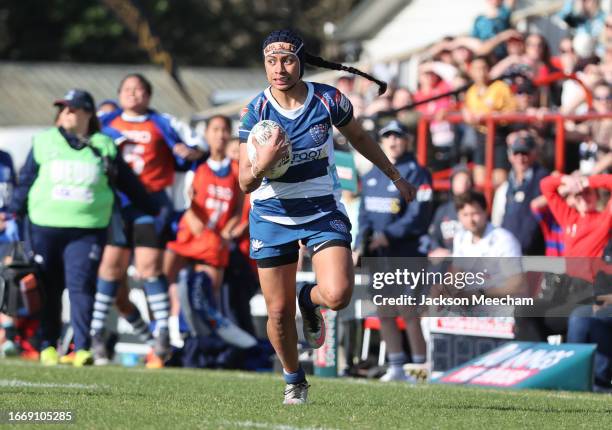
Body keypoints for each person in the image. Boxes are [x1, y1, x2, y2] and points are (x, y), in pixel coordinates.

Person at [238, 29, 416, 404]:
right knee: (277, 312)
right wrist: (263, 165)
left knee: (337, 295)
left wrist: (395, 176)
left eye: (287, 60)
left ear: (302, 61)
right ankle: (294, 379)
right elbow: (243, 183)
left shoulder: (328, 99)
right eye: (271, 61)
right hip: (271, 215)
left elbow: (361, 138)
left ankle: (310, 298)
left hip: (321, 209)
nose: (279, 69)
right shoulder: (256, 110)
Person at [6, 89, 158, 367]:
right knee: (49, 289)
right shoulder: (44, 141)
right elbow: (27, 181)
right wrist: (13, 212)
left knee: (81, 287)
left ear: (88, 113)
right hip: (44, 228)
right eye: (63, 109)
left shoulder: (104, 144)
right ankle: (48, 345)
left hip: (87, 230)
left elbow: (128, 183)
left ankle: (83, 347)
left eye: (72, 109)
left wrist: (155, 211)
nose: (66, 113)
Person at [92, 74, 203, 368]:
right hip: (115, 205)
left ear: (149, 95)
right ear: (118, 93)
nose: (133, 94)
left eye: (139, 89)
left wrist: (187, 152)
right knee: (110, 270)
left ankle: (163, 334)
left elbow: (195, 150)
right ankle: (96, 336)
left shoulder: (163, 122)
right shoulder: (106, 122)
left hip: (149, 204)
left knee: (149, 269)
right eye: (127, 89)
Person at [354, 120, 433, 382]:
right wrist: (359, 245)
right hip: (378, 258)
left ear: (407, 140)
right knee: (384, 311)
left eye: (397, 136)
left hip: (406, 253)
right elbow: (364, 215)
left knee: (408, 312)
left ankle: (421, 369)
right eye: (387, 137)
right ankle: (396, 366)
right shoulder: (372, 175)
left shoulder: (417, 173)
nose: (393, 141)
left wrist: (387, 236)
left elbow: (418, 216)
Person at [463, 56, 517, 188]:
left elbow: (513, 110)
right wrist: (466, 113)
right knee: (479, 180)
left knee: (499, 182)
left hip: (499, 136)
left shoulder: (500, 87)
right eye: (477, 69)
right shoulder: (471, 92)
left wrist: (494, 115)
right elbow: (466, 109)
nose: (481, 72)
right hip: (481, 137)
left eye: (483, 68)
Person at [491, 133, 549, 254]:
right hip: (509, 252)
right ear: (510, 156)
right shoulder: (505, 187)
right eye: (516, 153)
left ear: (533, 154)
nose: (520, 158)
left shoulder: (543, 180)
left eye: (525, 153)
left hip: (535, 252)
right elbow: (497, 220)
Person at [540, 173, 612, 257]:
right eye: (578, 194)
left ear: (597, 196)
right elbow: (545, 185)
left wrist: (586, 181)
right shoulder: (568, 216)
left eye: (587, 192)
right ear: (573, 200)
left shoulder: (606, 218)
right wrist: (567, 180)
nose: (583, 198)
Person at [428, 165, 473, 257]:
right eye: (459, 180)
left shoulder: (477, 209)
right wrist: (436, 248)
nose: (463, 184)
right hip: (446, 260)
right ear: (452, 183)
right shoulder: (443, 210)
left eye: (466, 180)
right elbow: (433, 236)